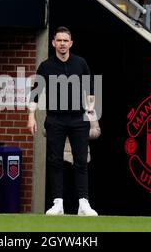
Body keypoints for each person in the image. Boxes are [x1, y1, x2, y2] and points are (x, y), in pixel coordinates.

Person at [27, 26, 98, 216]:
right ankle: (57, 203)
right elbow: (35, 94)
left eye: (65, 40)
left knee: (81, 161)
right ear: (53, 43)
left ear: (71, 43)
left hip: (78, 119)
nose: (62, 44)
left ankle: (84, 203)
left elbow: (91, 89)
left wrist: (90, 111)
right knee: (55, 161)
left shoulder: (80, 63)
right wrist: (31, 117)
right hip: (55, 119)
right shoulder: (46, 66)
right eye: (59, 40)